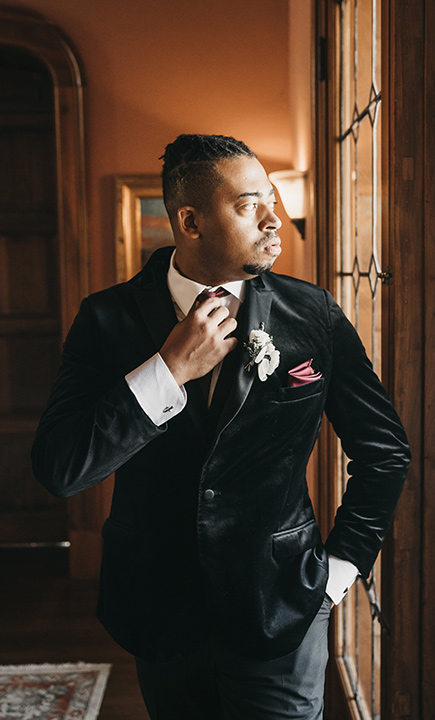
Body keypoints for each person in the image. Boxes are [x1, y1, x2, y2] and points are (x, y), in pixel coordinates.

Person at [32, 134, 410, 720]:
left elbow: (384, 451)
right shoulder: (105, 320)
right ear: (190, 220)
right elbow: (60, 468)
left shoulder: (312, 314)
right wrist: (169, 370)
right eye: (247, 204)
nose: (272, 216)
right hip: (159, 612)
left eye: (272, 199)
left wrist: (336, 575)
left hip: (282, 609)